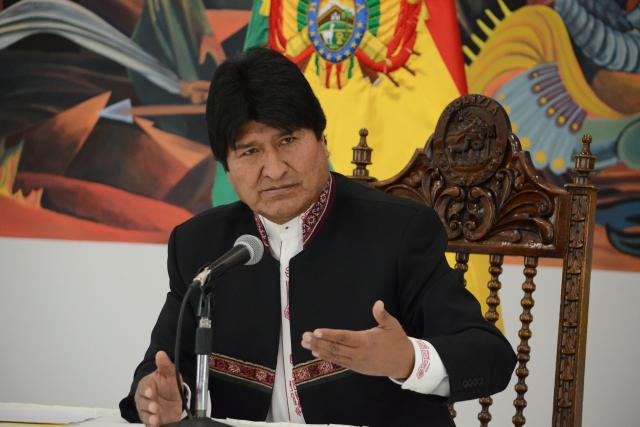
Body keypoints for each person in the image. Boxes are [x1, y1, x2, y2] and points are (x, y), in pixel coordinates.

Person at [119, 47, 516, 427]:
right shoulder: (200, 245)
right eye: (250, 152)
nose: (274, 169)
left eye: (288, 140)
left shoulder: (399, 232)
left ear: (323, 141)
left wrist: (409, 360)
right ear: (226, 167)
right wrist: (161, 396)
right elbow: (162, 368)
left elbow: (491, 357)